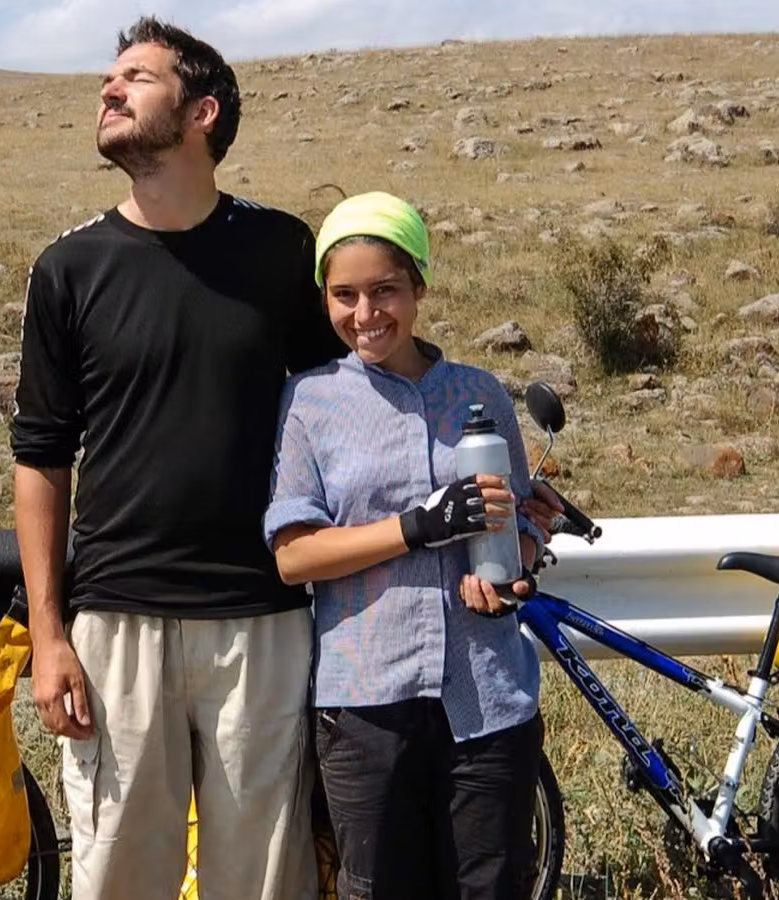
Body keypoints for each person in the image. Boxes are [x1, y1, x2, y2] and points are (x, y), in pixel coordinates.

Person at [9, 16, 347, 900]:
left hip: (263, 616)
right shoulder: (68, 267)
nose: (109, 89)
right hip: (116, 620)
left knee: (264, 882)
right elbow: (41, 457)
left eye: (137, 77)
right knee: (119, 876)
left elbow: (348, 408)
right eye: (110, 77)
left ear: (202, 113)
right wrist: (49, 636)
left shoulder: (283, 251)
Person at [266, 191, 547, 900]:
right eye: (345, 295)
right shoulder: (309, 402)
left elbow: (517, 526)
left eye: (385, 290)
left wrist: (515, 570)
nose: (366, 314)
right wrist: (416, 527)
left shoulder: (481, 393)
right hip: (365, 705)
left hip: (487, 695)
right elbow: (294, 556)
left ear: (419, 286)